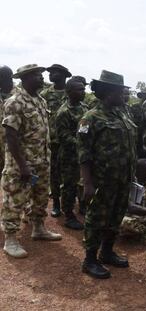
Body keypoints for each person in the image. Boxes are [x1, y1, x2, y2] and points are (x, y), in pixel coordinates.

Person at [78, 70, 137, 279]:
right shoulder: (90, 118)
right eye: (120, 91)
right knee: (96, 218)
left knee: (116, 215)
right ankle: (90, 259)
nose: (124, 95)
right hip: (102, 180)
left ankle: (107, 251)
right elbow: (84, 154)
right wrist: (87, 183)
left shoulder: (122, 113)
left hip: (122, 178)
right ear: (109, 92)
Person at [2, 64, 62, 258]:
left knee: (41, 196)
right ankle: (10, 239)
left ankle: (38, 227)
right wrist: (23, 166)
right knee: (15, 199)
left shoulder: (40, 101)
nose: (42, 78)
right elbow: (11, 136)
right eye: (37, 75)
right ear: (26, 78)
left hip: (42, 161)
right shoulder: (15, 102)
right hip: (22, 164)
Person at [55, 78, 89, 230]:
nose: (83, 92)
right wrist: (81, 143)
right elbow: (63, 136)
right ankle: (68, 215)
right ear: (69, 92)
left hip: (83, 154)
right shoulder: (63, 112)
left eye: (83, 89)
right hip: (69, 155)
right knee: (69, 185)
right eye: (79, 90)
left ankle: (83, 207)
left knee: (83, 182)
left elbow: (86, 129)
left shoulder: (84, 108)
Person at [41, 64, 72, 217]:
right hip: (52, 141)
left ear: (64, 75)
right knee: (54, 173)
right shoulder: (45, 94)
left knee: (70, 174)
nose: (50, 74)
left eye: (54, 72)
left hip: (69, 142)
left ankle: (69, 206)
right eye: (50, 72)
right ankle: (56, 204)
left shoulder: (72, 92)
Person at [0, 65, 14, 175]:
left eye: (11, 77)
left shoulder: (19, 95)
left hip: (13, 145)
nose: (10, 81)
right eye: (6, 78)